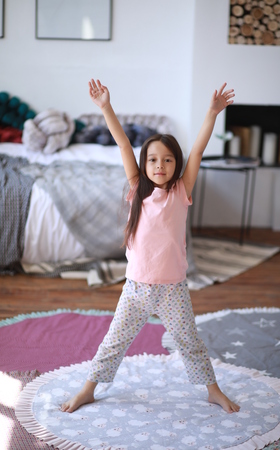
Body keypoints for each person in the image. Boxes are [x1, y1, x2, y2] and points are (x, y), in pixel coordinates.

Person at [61, 78, 239, 414]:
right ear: (144, 165)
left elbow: (198, 150)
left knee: (190, 343)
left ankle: (213, 390)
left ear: (176, 164)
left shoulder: (180, 192)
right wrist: (105, 108)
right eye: (154, 160)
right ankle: (88, 389)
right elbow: (125, 146)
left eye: (168, 160)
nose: (160, 166)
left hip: (172, 289)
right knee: (114, 343)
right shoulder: (137, 190)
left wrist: (212, 113)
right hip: (136, 288)